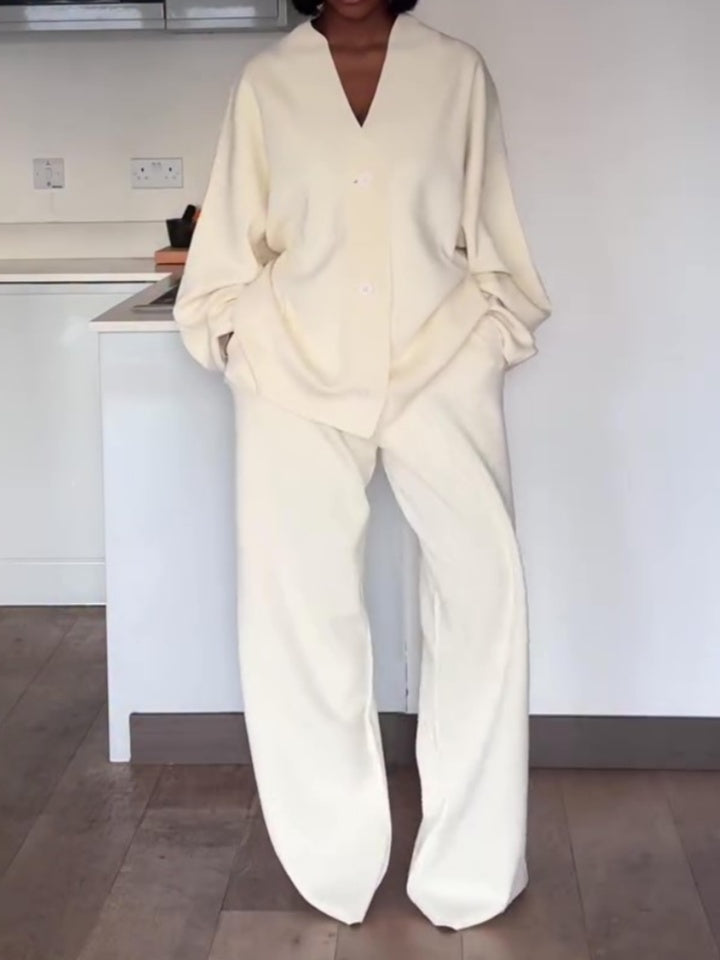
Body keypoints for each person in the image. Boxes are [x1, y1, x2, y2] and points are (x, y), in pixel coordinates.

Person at [173, 0, 552, 932]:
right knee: (299, 614)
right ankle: (332, 861)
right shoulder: (267, 83)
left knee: (483, 598)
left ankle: (470, 865)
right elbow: (230, 243)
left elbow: (490, 229)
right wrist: (238, 340)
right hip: (293, 369)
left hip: (439, 356)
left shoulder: (456, 73)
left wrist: (490, 337)